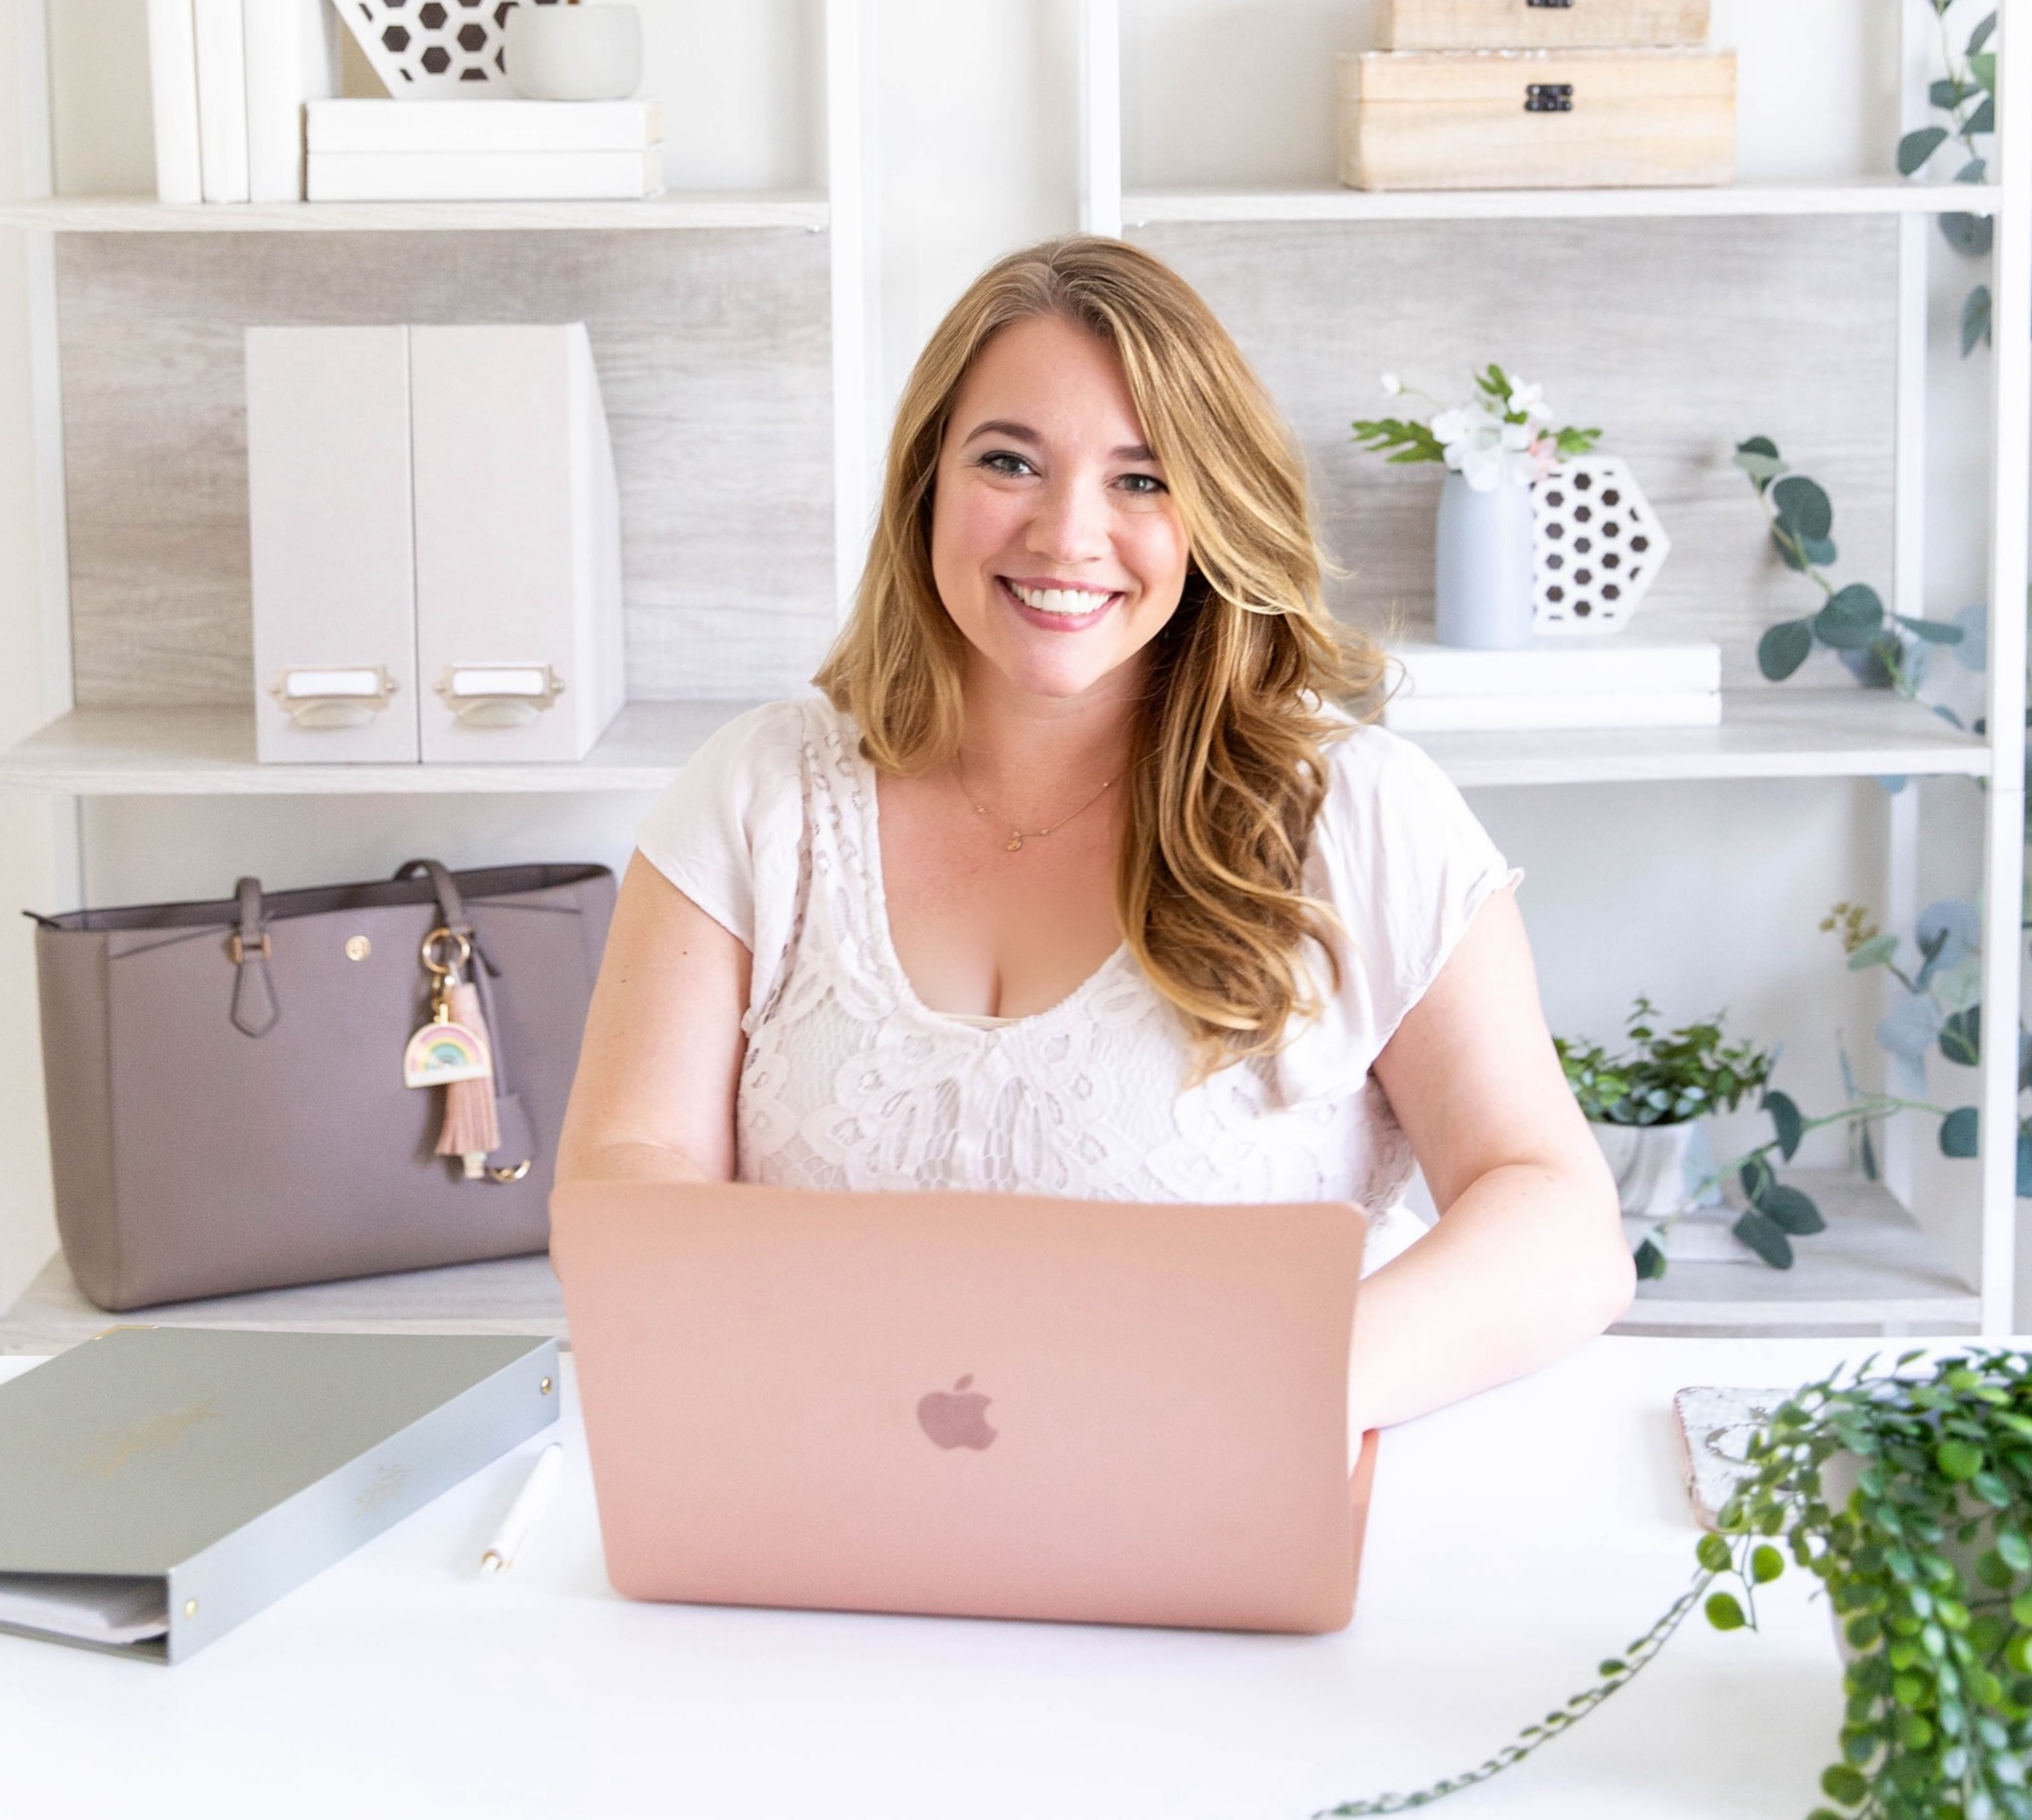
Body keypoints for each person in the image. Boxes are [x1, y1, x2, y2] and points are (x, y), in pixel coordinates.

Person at [556, 234, 1635, 1434]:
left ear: (1212, 512)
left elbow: (1557, 1221)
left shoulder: (1359, 812)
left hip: (1216, 1534)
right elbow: (626, 1176)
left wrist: (1271, 1399)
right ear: (925, 486)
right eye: (1009, 461)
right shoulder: (759, 793)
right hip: (823, 1517)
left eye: (1141, 478)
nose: (1067, 535)